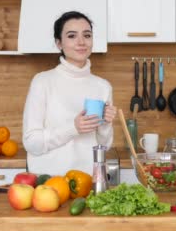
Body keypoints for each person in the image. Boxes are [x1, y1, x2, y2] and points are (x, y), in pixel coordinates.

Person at [22, 11, 117, 175]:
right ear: (59, 43)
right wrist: (73, 128)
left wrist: (106, 124)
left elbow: (103, 145)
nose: (81, 42)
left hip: (88, 181)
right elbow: (32, 143)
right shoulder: (42, 81)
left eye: (87, 35)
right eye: (72, 36)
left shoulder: (103, 86)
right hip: (48, 184)